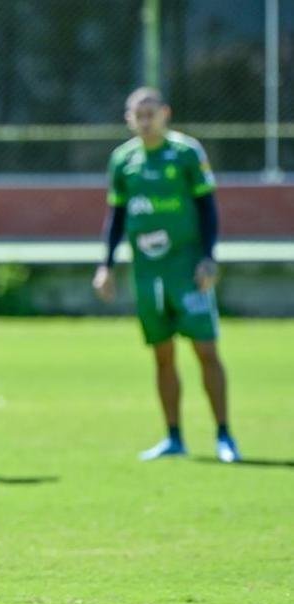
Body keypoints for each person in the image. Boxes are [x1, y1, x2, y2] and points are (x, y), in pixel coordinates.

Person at [93, 87, 240, 463]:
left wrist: (208, 258)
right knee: (162, 354)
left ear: (165, 114)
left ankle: (224, 435)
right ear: (128, 119)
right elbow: (117, 216)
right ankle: (174, 437)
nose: (145, 121)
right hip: (147, 273)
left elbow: (208, 208)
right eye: (137, 115)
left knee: (205, 349)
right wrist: (106, 265)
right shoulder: (123, 161)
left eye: (150, 114)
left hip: (187, 269)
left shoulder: (187, 153)